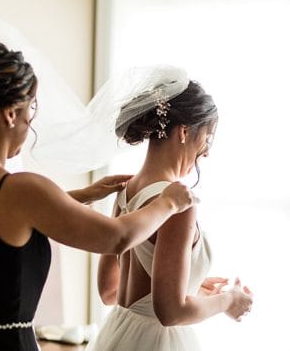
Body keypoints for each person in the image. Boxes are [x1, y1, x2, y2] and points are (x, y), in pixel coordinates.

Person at [0, 43, 195, 350]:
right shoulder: (20, 189)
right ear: (11, 114)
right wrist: (169, 202)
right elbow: (116, 238)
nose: (31, 123)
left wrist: (83, 194)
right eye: (30, 110)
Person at [90, 71, 253, 350]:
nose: (207, 151)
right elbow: (171, 313)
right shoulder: (178, 204)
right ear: (184, 132)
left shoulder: (124, 192)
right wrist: (229, 300)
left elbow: (108, 291)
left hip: (119, 334)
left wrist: (192, 286)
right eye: (208, 137)